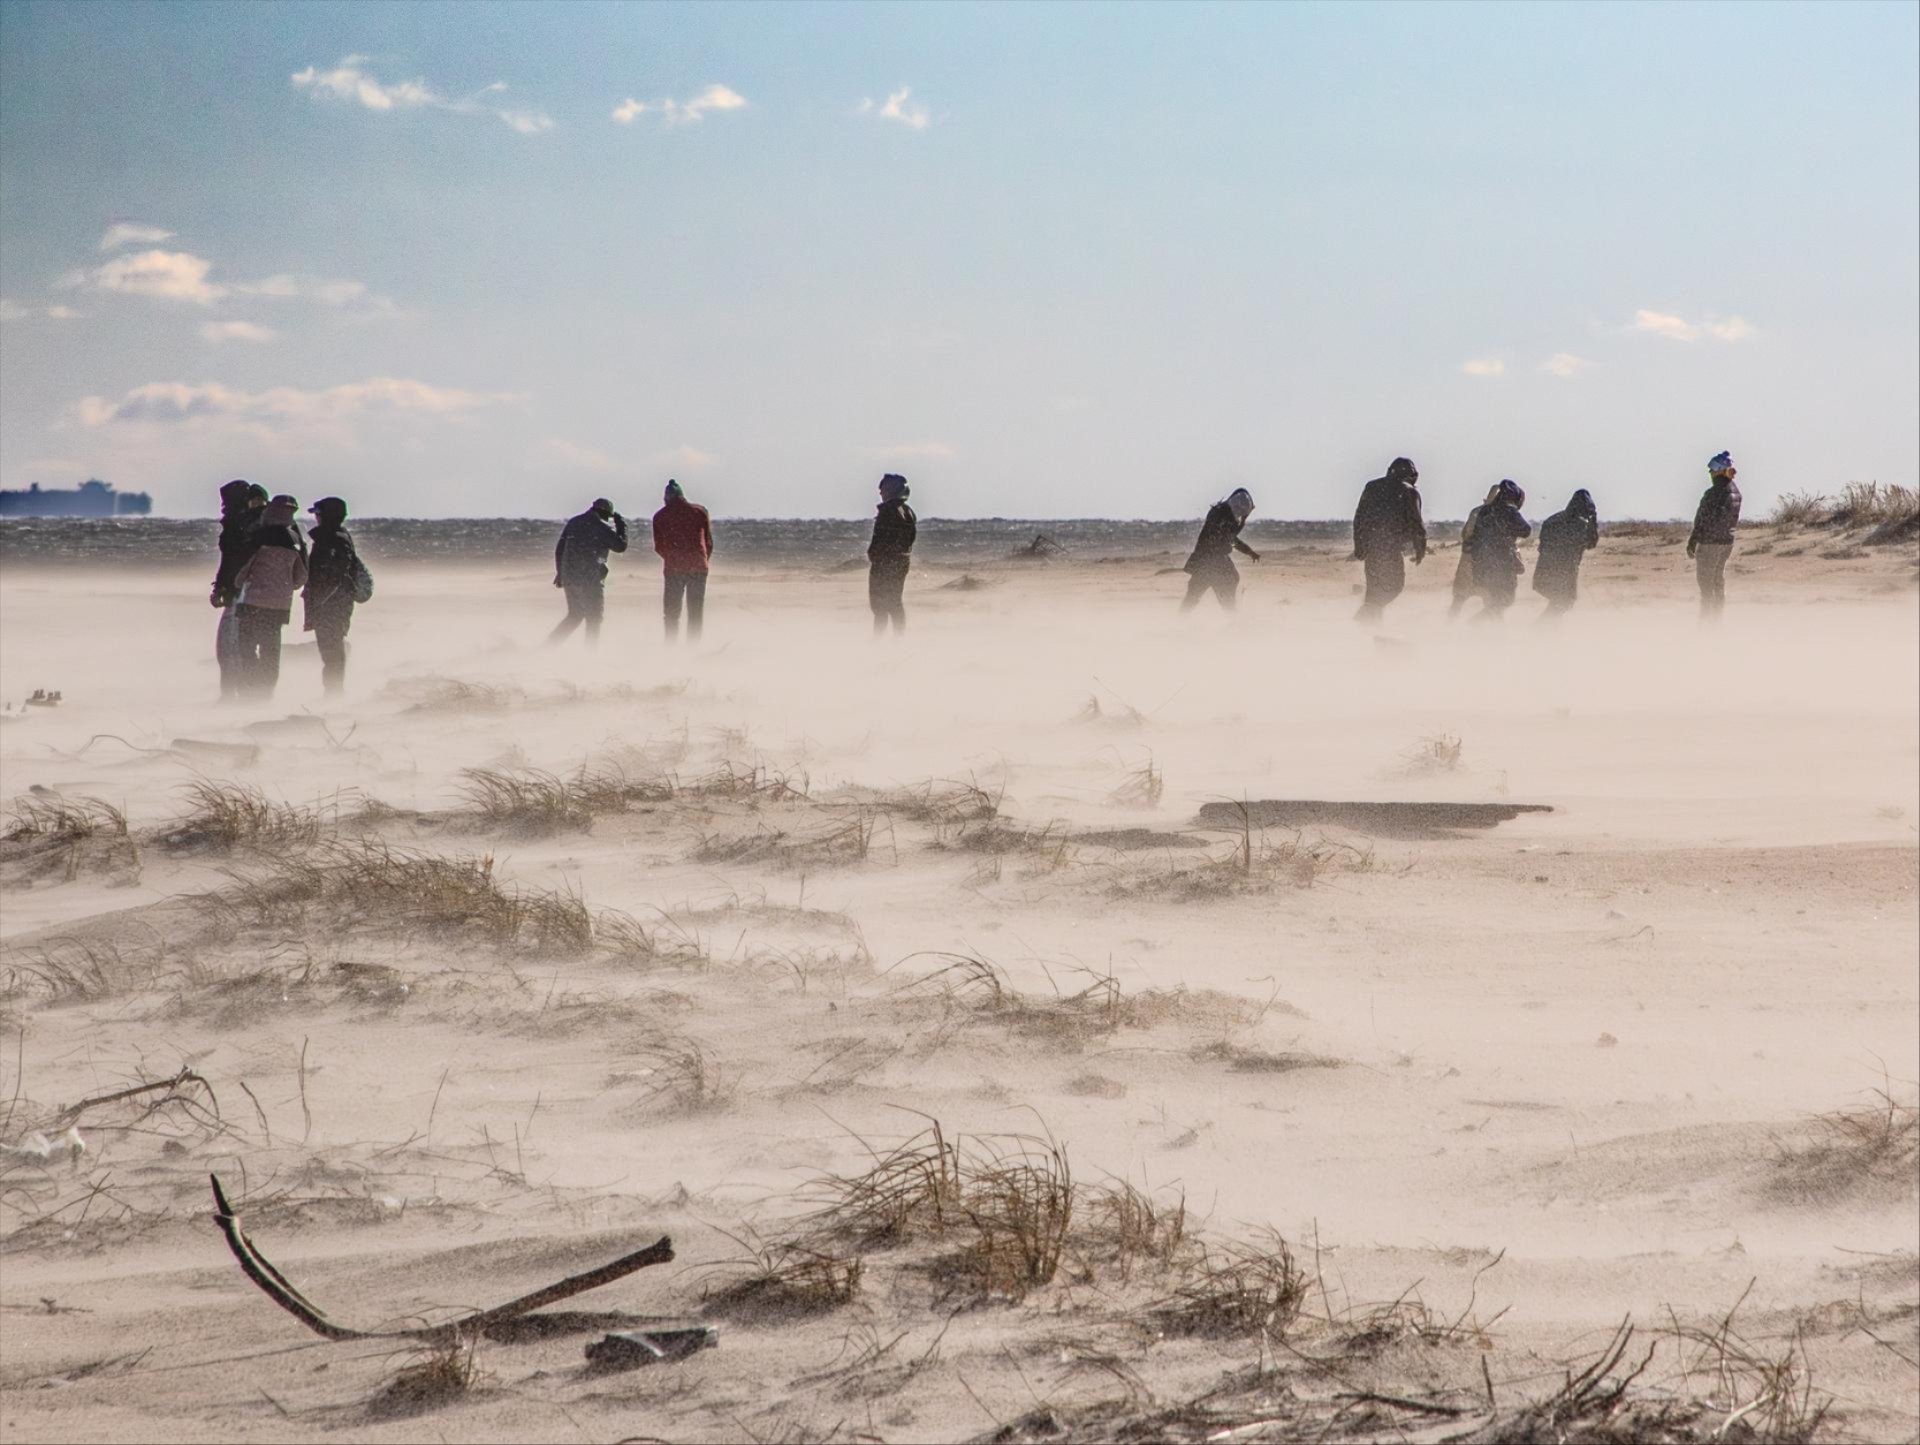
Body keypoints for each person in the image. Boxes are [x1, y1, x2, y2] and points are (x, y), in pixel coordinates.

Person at [230, 494, 309, 698]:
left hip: (252, 602)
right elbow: (301, 576)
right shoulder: (294, 540)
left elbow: (243, 570)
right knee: (270, 650)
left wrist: (238, 583)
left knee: (247, 647)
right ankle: (266, 693)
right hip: (279, 605)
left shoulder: (259, 536)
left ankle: (251, 689)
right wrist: (285, 587)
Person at [302, 497, 367, 693]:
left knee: (331, 649)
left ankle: (334, 693)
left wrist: (318, 602)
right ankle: (334, 691)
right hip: (338, 601)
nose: (316, 518)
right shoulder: (339, 536)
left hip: (331, 603)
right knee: (333, 647)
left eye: (318, 514)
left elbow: (330, 575)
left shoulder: (330, 538)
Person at [1351, 458, 1427, 623]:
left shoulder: (1372, 487)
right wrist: (1420, 548)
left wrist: (1359, 546)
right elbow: (1416, 523)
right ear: (1411, 475)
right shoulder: (1409, 491)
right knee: (1394, 587)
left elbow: (1359, 518)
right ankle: (1365, 618)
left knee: (1373, 590)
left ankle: (1370, 628)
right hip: (1390, 549)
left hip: (1372, 547)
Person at [211, 480, 266, 699]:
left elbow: (230, 561)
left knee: (230, 645)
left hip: (241, 592)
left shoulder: (238, 525)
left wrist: (222, 586)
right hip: (251, 591)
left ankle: (231, 695)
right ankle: (242, 693)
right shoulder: (254, 522)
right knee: (240, 645)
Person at [548, 498, 628, 645]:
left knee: (575, 615)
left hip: (570, 577)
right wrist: (621, 525)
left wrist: (560, 573)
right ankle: (590, 654)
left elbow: (560, 548)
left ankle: (548, 647)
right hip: (590, 580)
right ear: (604, 512)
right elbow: (620, 546)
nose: (608, 519)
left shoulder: (574, 522)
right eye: (608, 516)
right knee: (594, 618)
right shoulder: (601, 528)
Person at [652, 480, 713, 643]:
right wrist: (702, 559)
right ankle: (693, 646)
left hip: (674, 568)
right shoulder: (700, 511)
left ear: (666, 497)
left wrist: (673, 558)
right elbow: (708, 542)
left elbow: (659, 546)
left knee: (671, 612)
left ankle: (670, 645)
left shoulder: (660, 516)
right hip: (699, 566)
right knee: (695, 611)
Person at [1180, 488, 1260, 611]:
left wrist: (1249, 552)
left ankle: (1180, 622)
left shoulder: (1220, 512)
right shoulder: (1222, 514)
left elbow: (1231, 538)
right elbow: (1231, 536)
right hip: (1212, 561)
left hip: (1205, 560)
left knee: (1194, 596)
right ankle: (1231, 618)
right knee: (1200, 594)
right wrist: (1244, 520)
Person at [1464, 479, 1531, 621]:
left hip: (1482, 562)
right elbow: (1526, 530)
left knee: (1494, 598)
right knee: (1506, 599)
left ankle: (1496, 632)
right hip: (1503, 563)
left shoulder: (1485, 511)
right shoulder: (1509, 510)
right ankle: (1476, 622)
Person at [1688, 452, 1741, 619]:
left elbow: (1703, 519)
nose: (1710, 474)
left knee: (1706, 586)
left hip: (1710, 543)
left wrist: (1693, 540)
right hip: (1726, 543)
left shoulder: (1714, 493)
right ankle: (1717, 621)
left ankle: (1706, 624)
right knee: (1718, 582)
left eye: (1712, 470)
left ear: (1719, 471)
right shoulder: (1735, 492)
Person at [1533, 489, 1599, 617]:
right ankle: (1539, 632)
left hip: (1544, 570)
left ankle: (1546, 632)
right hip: (1565, 573)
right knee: (1562, 603)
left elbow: (1541, 547)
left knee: (1558, 604)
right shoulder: (1580, 525)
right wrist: (1593, 521)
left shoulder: (1553, 520)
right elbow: (1591, 543)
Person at [867, 474, 917, 634]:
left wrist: (874, 554)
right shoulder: (908, 511)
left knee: (880, 604)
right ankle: (897, 638)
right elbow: (910, 539)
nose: (880, 493)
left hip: (886, 563)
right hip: (901, 561)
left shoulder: (888, 510)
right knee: (894, 602)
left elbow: (880, 538)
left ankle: (879, 639)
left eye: (883, 489)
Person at [1449, 483, 1503, 618]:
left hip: (1470, 558)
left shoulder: (1476, 512)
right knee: (1492, 598)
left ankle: (1448, 625)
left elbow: (1466, 534)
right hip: (1489, 562)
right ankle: (1498, 631)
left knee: (1459, 598)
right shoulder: (1503, 515)